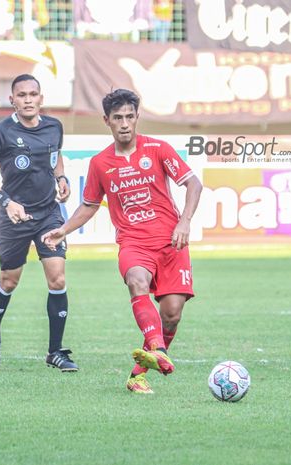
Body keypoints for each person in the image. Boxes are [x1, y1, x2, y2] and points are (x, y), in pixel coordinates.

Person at [42, 89, 202, 394]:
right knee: (136, 280)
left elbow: (193, 183)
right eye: (118, 118)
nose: (125, 123)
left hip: (172, 243)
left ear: (137, 117)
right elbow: (89, 204)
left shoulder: (158, 149)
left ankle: (137, 375)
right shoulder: (101, 163)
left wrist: (185, 221)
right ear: (107, 121)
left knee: (171, 315)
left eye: (130, 116)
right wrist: (63, 230)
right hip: (134, 244)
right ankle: (158, 349)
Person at [0, 74, 78, 373]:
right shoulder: (1, 132)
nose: (28, 99)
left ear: (41, 99)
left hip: (48, 213)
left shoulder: (54, 127)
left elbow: (56, 157)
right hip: (15, 217)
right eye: (22, 95)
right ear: (13, 100)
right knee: (9, 280)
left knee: (57, 278)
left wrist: (61, 177)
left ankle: (55, 351)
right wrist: (6, 201)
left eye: (33, 94)